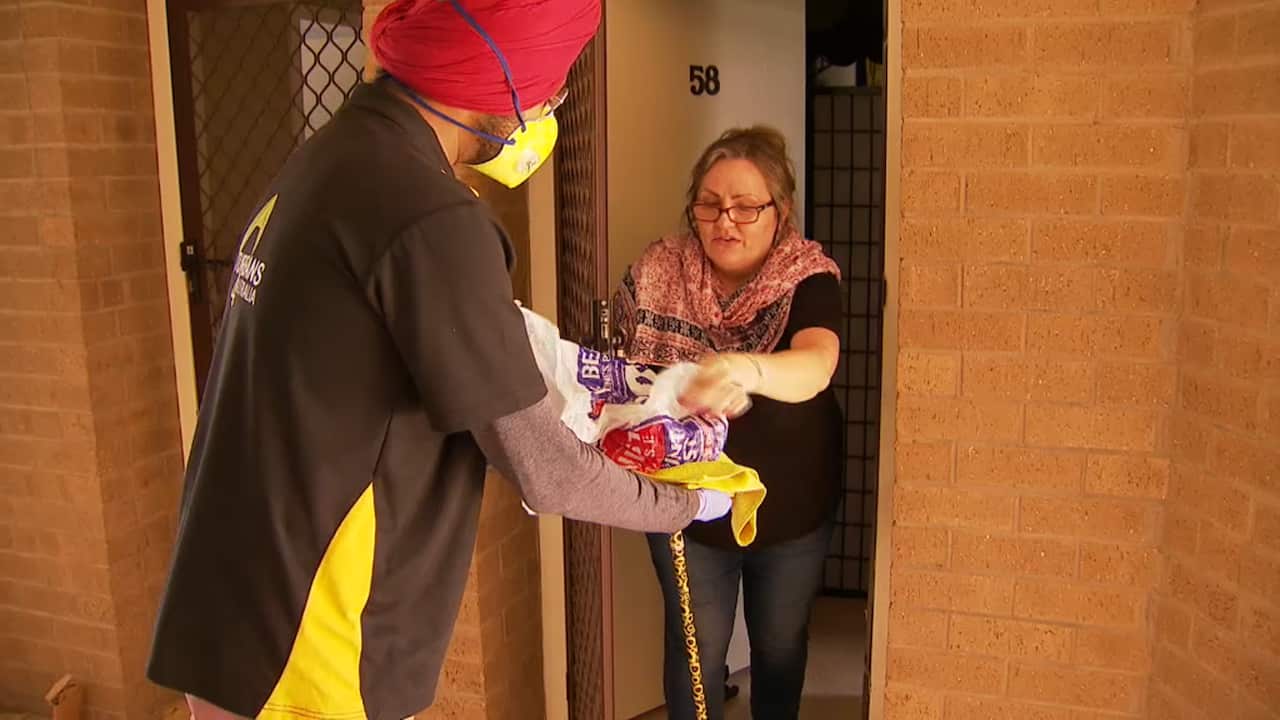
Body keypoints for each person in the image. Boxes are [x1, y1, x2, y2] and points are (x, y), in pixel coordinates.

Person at [145, 2, 730, 719]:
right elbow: (547, 473)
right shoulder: (430, 214)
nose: (550, 104)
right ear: (505, 76)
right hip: (310, 638)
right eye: (550, 84)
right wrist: (687, 502)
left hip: (232, 599)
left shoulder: (335, 156)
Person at [614, 126, 844, 720]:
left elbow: (816, 364)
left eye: (746, 207)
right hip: (686, 506)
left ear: (780, 211)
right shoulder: (659, 271)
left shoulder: (807, 276)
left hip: (789, 509)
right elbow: (619, 374)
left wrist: (742, 368)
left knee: (779, 646)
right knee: (695, 651)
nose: (726, 221)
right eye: (710, 204)